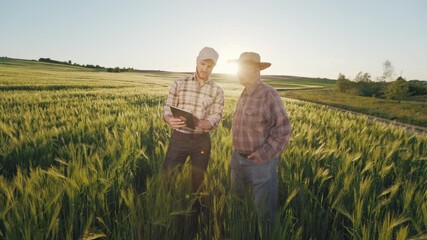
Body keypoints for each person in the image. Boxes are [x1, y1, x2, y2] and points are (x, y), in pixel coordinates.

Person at [229, 52, 292, 226]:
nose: (238, 72)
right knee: (238, 203)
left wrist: (263, 155)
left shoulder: (268, 95)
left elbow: (283, 129)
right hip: (237, 160)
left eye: (242, 69)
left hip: (260, 164)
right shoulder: (244, 93)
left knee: (264, 212)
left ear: (256, 70)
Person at [162, 47, 224, 193]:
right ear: (196, 61)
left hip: (201, 141)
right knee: (168, 178)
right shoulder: (179, 83)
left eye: (209, 66)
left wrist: (204, 123)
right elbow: (167, 108)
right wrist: (169, 118)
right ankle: (166, 208)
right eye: (203, 64)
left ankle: (195, 211)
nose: (205, 69)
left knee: (198, 183)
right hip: (179, 138)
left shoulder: (217, 90)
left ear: (213, 67)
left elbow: (216, 115)